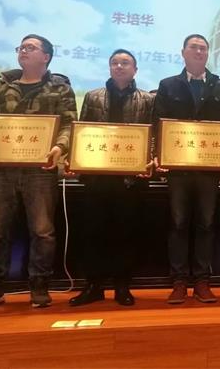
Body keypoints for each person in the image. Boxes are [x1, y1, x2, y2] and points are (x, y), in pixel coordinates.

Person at [0, 34, 77, 310]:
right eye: (21, 47)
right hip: (2, 170)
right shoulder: (2, 87)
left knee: (42, 231)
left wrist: (59, 148)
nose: (23, 51)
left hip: (41, 170)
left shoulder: (60, 88)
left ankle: (39, 285)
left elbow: (68, 124)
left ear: (46, 57)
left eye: (30, 47)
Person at [68, 49, 154, 307]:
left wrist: (149, 160)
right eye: (115, 62)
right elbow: (82, 132)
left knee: (126, 233)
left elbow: (153, 136)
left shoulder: (147, 99)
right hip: (97, 178)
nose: (119, 66)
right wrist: (77, 161)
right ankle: (93, 286)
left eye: (125, 63)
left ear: (135, 70)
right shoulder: (93, 96)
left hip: (131, 180)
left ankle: (122, 286)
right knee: (93, 233)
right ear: (109, 67)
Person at [153, 34, 220, 304]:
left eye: (203, 48)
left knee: (206, 223)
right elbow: (159, 123)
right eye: (193, 47)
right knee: (178, 223)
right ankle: (178, 281)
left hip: (208, 168)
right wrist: (159, 155)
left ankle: (202, 280)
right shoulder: (168, 85)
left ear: (208, 54)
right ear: (183, 52)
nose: (199, 52)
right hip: (177, 168)